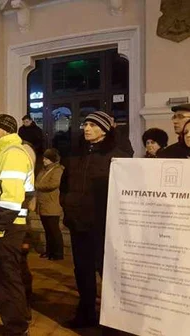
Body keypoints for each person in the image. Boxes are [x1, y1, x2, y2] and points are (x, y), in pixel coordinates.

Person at [61, 111, 130, 328]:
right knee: (82, 270)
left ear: (104, 129)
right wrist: (67, 203)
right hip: (78, 222)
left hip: (103, 225)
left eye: (92, 124)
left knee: (107, 271)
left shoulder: (116, 156)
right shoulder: (75, 155)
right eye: (85, 124)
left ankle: (114, 318)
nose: (86, 128)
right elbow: (65, 185)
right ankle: (86, 312)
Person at [0, 114, 35, 335]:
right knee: (4, 278)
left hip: (6, 226)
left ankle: (17, 328)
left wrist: (0, 227)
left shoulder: (12, 154)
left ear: (6, 130)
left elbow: (11, 196)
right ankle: (15, 323)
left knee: (7, 279)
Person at [35, 149, 65, 261]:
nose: (44, 160)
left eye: (46, 158)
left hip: (52, 203)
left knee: (54, 230)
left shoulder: (58, 170)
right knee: (47, 229)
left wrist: (38, 186)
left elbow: (53, 184)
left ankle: (58, 252)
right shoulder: (44, 170)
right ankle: (49, 251)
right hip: (43, 203)